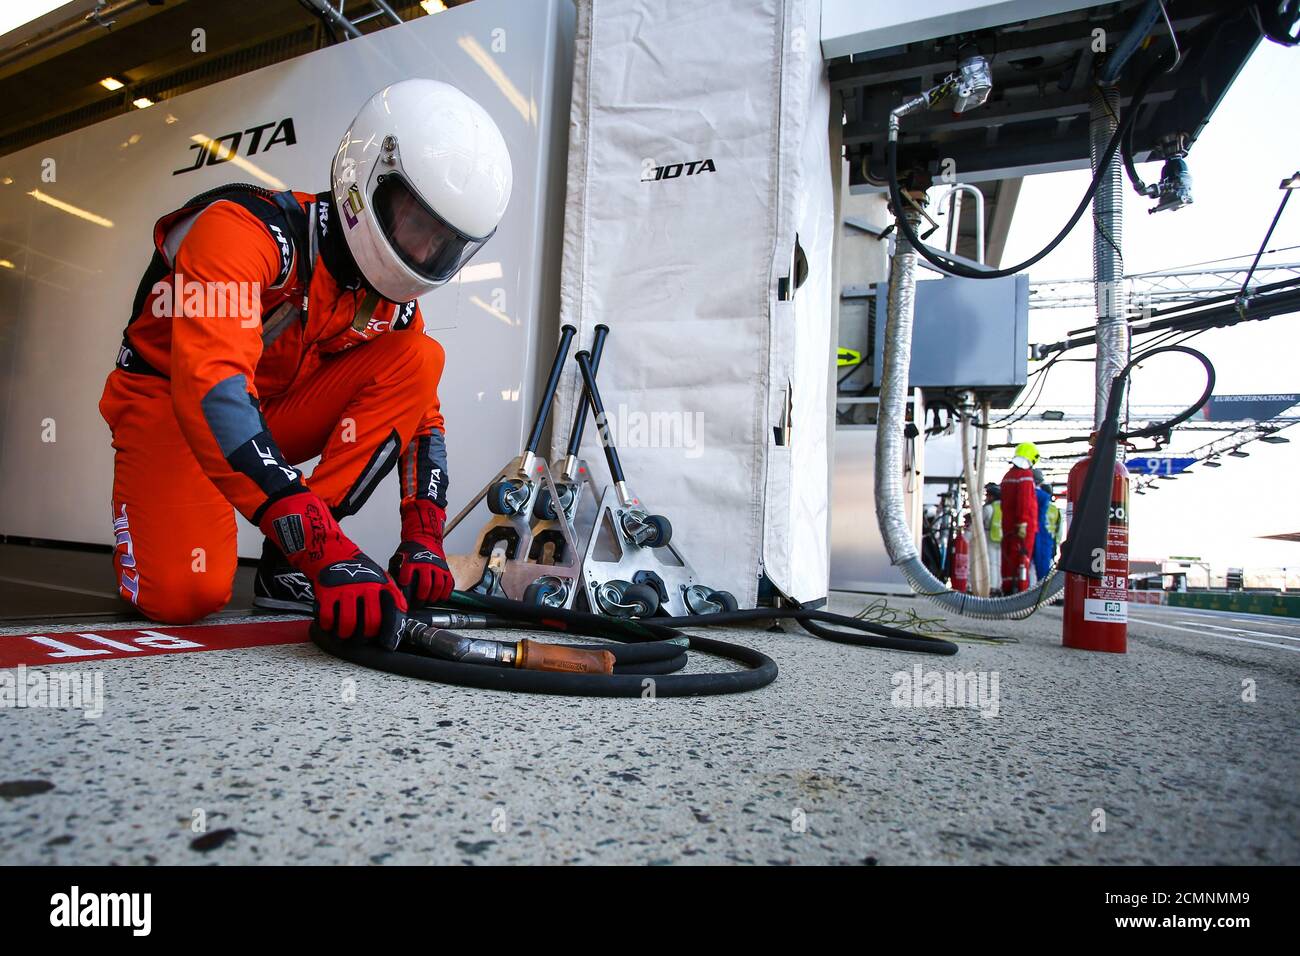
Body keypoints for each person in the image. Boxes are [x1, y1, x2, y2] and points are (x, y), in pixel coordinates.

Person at [99, 79, 513, 648]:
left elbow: (423, 423)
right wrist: (324, 547)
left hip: (264, 414)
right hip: (172, 402)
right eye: (416, 223)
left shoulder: (393, 309)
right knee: (183, 594)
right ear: (365, 179)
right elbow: (212, 392)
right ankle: (292, 542)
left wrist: (423, 537)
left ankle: (283, 563)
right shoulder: (239, 230)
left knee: (421, 359)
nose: (422, 253)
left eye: (441, 242)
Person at [999, 442, 1040, 593]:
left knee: (1008, 559)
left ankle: (1008, 589)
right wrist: (1023, 523)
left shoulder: (1007, 476)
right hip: (1024, 527)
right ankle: (1020, 591)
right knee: (1022, 559)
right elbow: (1024, 501)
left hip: (1008, 525)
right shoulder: (1025, 476)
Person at [1033, 479, 1063, 582]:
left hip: (1037, 537)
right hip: (1050, 542)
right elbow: (1059, 531)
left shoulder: (1036, 504)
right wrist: (1056, 544)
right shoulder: (1055, 509)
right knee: (1046, 573)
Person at [982, 482, 1002, 595]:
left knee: (991, 563)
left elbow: (979, 522)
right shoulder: (1004, 507)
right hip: (1002, 538)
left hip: (989, 537)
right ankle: (998, 586)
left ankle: (991, 586)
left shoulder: (989, 508)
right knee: (999, 564)